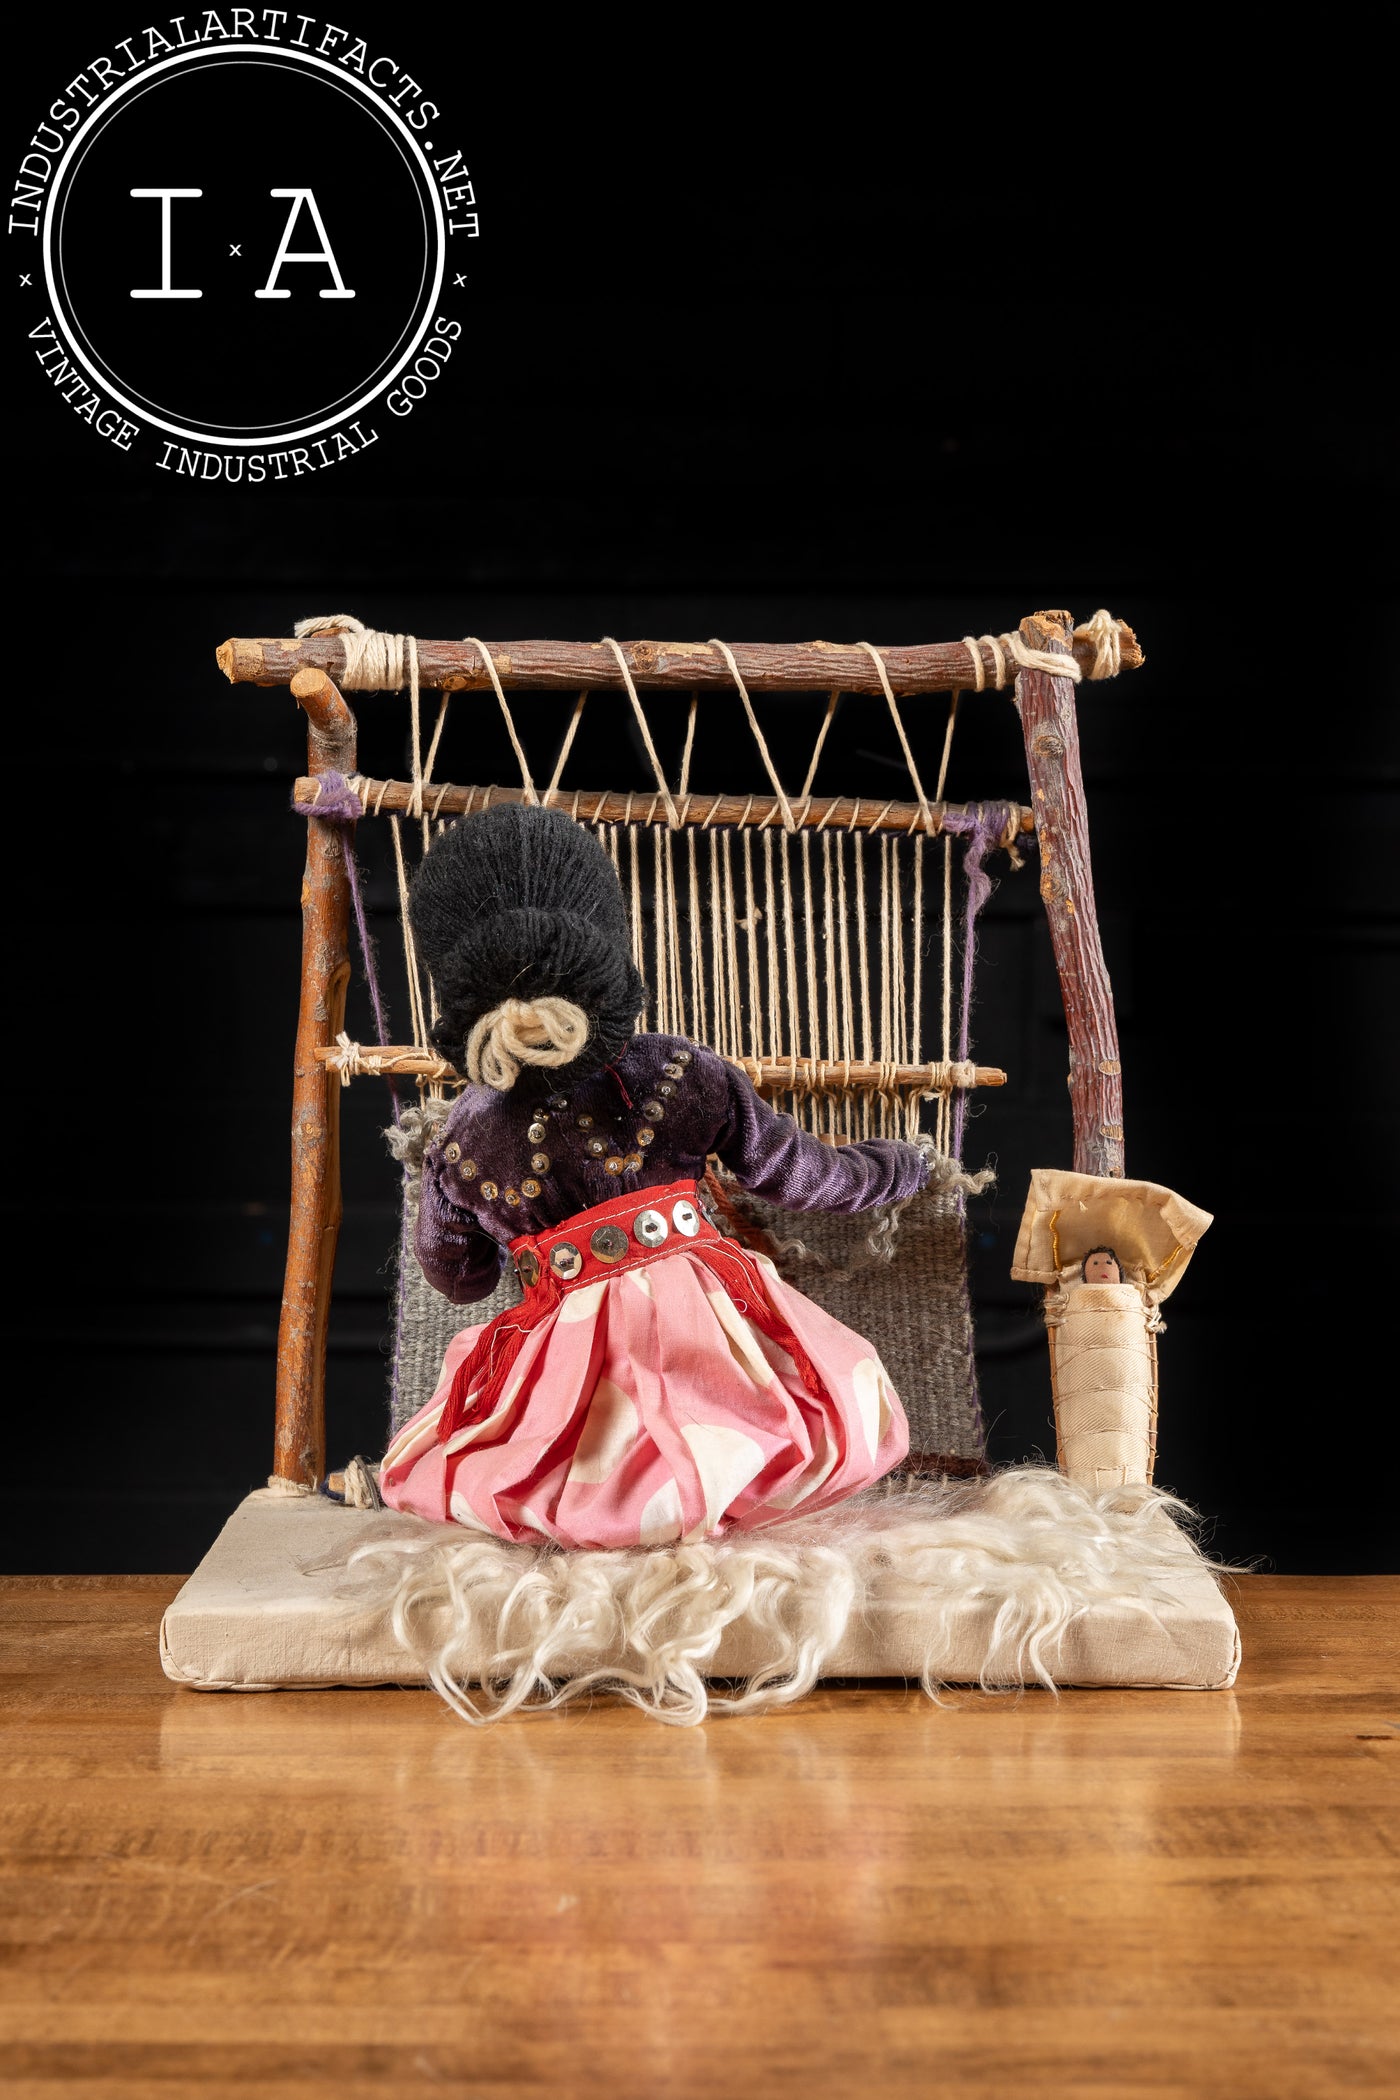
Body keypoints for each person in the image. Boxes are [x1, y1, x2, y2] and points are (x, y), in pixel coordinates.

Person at [378, 802, 926, 1548]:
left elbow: (458, 1276)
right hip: (706, 1322)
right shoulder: (682, 1071)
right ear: (609, 945)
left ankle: (613, 1515)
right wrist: (899, 1166)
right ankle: (706, 1495)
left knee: (547, 1464)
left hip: (565, 1360)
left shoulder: (463, 1139)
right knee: (801, 1423)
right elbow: (798, 1175)